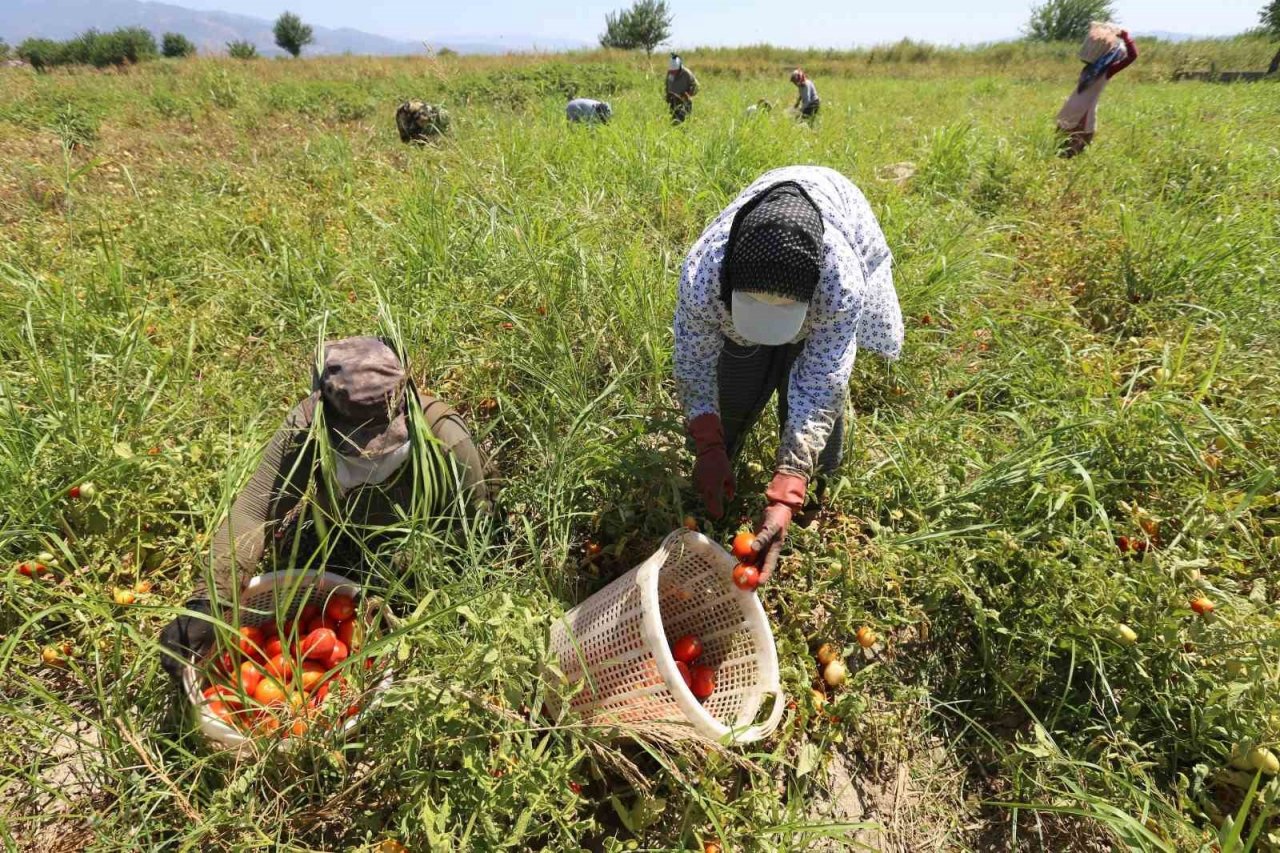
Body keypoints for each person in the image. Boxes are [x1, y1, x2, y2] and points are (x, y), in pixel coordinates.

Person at [159, 337, 493, 681]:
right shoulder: (306, 426)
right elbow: (255, 510)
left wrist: (409, 573)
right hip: (343, 534)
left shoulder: (443, 434)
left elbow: (468, 527)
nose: (368, 452)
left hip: (419, 545)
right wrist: (207, 603)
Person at [673, 167, 903, 583]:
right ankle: (725, 461)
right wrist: (708, 441)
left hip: (835, 230)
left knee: (821, 410)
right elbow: (694, 361)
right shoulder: (704, 273)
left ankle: (814, 496)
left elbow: (822, 380)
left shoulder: (840, 281)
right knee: (735, 386)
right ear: (729, 285)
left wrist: (791, 484)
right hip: (756, 280)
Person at [1056, 29, 1137, 158]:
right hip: (1086, 107)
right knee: (1081, 140)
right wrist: (1126, 37)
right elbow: (1132, 56)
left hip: (1072, 103)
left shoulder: (1089, 68)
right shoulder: (1107, 70)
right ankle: (1065, 164)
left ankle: (1057, 162)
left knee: (1063, 137)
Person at [665, 53, 699, 124]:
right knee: (673, 123)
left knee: (684, 123)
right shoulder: (670, 73)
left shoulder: (687, 73)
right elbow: (667, 86)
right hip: (673, 102)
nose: (673, 73)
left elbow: (696, 86)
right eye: (672, 72)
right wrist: (668, 95)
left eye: (675, 72)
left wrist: (688, 94)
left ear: (679, 68)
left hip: (685, 102)